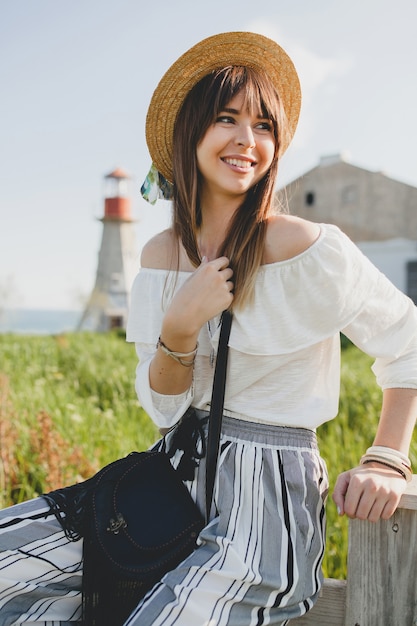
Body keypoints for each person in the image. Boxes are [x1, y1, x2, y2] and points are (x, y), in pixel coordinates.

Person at [0, 31, 415, 626]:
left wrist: (386, 460)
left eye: (264, 126)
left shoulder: (308, 248)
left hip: (267, 504)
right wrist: (180, 324)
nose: (248, 140)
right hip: (168, 481)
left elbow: (408, 344)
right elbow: (165, 410)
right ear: (190, 131)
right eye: (227, 119)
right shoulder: (162, 255)